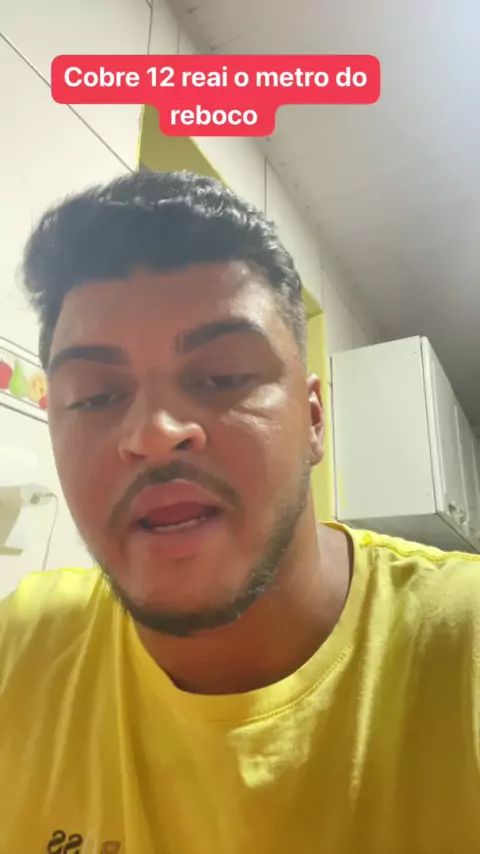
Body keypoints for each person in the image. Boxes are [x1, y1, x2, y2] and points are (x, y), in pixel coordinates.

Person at [0, 170, 479, 854]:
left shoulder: (464, 649)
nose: (154, 433)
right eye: (96, 396)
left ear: (313, 419)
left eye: (222, 377)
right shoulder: (21, 648)